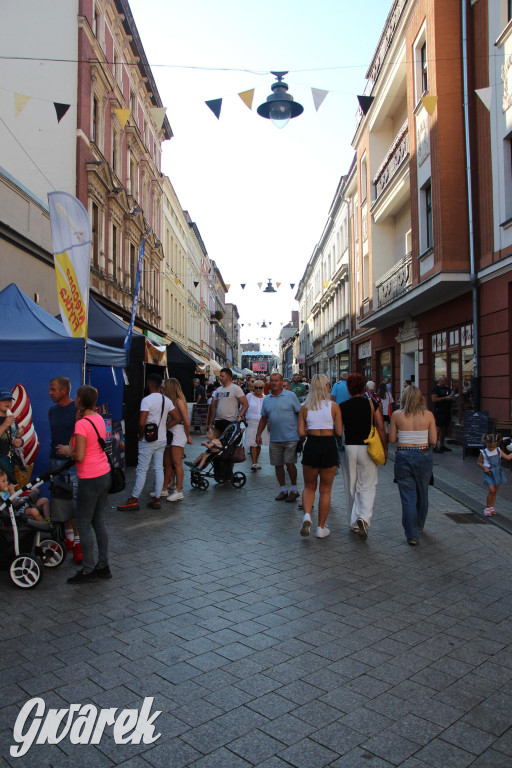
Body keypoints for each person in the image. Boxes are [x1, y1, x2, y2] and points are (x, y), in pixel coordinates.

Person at [56, 385, 112, 584]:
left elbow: (79, 455)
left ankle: (89, 569)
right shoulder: (98, 418)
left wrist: (66, 451)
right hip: (104, 473)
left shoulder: (82, 424)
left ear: (79, 400)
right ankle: (103, 565)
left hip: (89, 477)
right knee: (98, 521)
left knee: (83, 523)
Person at [117, 374, 178, 512]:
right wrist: (164, 427)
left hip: (148, 440)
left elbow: (141, 421)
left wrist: (140, 434)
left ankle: (134, 499)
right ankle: (157, 498)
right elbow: (176, 418)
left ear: (149, 384)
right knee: (158, 468)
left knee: (142, 469)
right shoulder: (166, 400)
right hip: (161, 439)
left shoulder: (146, 400)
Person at [341, 373, 387, 540]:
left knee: (351, 485)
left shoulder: (343, 406)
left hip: (350, 448)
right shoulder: (371, 403)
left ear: (348, 388)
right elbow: (381, 427)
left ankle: (354, 522)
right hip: (367, 447)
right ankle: (364, 518)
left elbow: (339, 430)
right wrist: (385, 448)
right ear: (363, 387)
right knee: (368, 484)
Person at [389, 386, 437, 545]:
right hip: (423, 454)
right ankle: (419, 525)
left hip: (403, 455)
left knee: (408, 496)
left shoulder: (397, 415)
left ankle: (412, 534)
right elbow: (434, 441)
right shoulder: (428, 415)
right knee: (423, 492)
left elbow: (392, 440)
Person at [298, 374, 342, 539]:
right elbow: (339, 432)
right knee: (325, 489)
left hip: (312, 445)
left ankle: (307, 515)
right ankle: (321, 528)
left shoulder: (305, 407)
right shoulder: (334, 407)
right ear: (326, 387)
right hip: (329, 445)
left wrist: (310, 430)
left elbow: (301, 433)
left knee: (309, 486)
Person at [48, 377, 82, 562]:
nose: (50, 392)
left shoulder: (76, 411)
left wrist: (70, 451)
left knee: (74, 501)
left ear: (63, 391)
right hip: (54, 461)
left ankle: (78, 541)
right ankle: (68, 537)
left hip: (71, 464)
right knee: (60, 500)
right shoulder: (52, 410)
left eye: (53, 389)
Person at [256, 373, 301, 503]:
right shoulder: (267, 399)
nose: (274, 383)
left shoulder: (290, 396)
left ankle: (294, 489)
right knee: (277, 465)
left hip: (291, 436)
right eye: (272, 381)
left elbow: (300, 413)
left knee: (290, 463)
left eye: (276, 380)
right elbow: (263, 418)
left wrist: (301, 432)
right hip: (275, 438)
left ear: (282, 382)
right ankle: (283, 489)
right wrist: (258, 434)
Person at [161, 378, 193, 503]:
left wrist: (187, 435)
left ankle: (178, 491)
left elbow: (186, 421)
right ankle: (164, 488)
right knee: (167, 462)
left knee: (176, 462)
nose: (162, 389)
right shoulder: (171, 401)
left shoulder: (178, 401)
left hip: (178, 432)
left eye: (164, 387)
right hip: (172, 432)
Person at [477, 433, 512, 516]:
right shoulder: (484, 452)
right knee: (491, 490)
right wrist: (484, 467)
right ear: (486, 443)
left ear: (496, 444)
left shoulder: (498, 450)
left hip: (497, 472)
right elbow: (479, 462)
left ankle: (491, 506)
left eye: (493, 447)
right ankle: (487, 507)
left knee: (495, 491)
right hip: (489, 473)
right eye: (489, 447)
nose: (491, 448)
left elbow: (507, 457)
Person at [207, 368, 248, 436]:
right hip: (218, 421)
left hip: (231, 421)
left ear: (229, 377)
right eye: (220, 376)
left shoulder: (236, 388)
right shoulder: (218, 390)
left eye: (222, 376)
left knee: (230, 445)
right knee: (218, 444)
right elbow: (214, 407)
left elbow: (245, 404)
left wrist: (240, 416)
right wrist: (211, 423)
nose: (220, 378)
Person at [244, 379, 269, 470]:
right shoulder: (249, 396)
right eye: (256, 388)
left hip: (262, 423)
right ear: (253, 388)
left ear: (263, 388)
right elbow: (243, 407)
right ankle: (254, 463)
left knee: (258, 443)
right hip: (251, 422)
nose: (258, 389)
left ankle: (256, 461)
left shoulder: (266, 398)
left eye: (260, 388)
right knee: (252, 443)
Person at [0, 389, 24, 484]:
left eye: (9, 400)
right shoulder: (8, 421)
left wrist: (20, 441)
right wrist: (5, 424)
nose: (7, 402)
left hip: (11, 467)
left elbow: (16, 438)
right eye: (3, 400)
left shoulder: (12, 419)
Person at [431, 375, 455, 452]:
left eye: (445, 381)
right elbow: (434, 399)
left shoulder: (447, 389)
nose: (444, 383)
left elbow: (450, 396)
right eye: (442, 381)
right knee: (438, 428)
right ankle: (434, 446)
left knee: (444, 429)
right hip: (439, 411)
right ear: (439, 381)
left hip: (446, 410)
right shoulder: (436, 388)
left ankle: (442, 445)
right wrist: (445, 398)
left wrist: (452, 397)